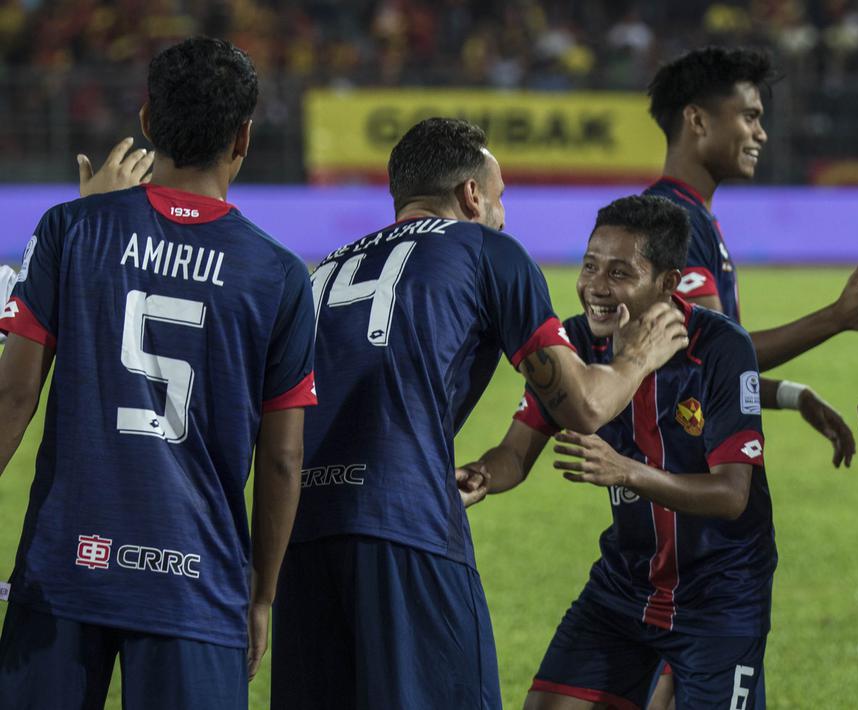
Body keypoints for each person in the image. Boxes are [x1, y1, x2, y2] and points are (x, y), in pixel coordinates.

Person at [270, 118, 689, 710]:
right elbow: (586, 406)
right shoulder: (486, 250)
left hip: (300, 535)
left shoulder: (322, 271)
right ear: (471, 194)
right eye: (499, 197)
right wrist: (638, 358)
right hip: (407, 525)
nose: (503, 214)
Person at [0, 37, 315, 710]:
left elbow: (14, 392)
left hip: (64, 571)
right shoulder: (278, 274)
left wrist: (93, 217)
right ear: (244, 136)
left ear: (146, 120)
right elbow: (283, 459)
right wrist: (260, 595)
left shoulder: (71, 231)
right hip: (196, 582)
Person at [464, 194, 774, 710]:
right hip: (624, 585)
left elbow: (731, 494)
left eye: (620, 272)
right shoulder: (575, 344)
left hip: (720, 595)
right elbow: (515, 455)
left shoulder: (720, 347)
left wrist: (626, 472)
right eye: (590, 266)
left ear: (668, 283)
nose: (596, 288)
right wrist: (477, 476)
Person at [644, 45, 858, 471]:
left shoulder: (690, 215)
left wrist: (793, 395)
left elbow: (692, 374)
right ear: (698, 120)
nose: (762, 134)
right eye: (750, 117)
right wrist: (836, 317)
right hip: (685, 492)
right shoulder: (670, 219)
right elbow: (714, 357)